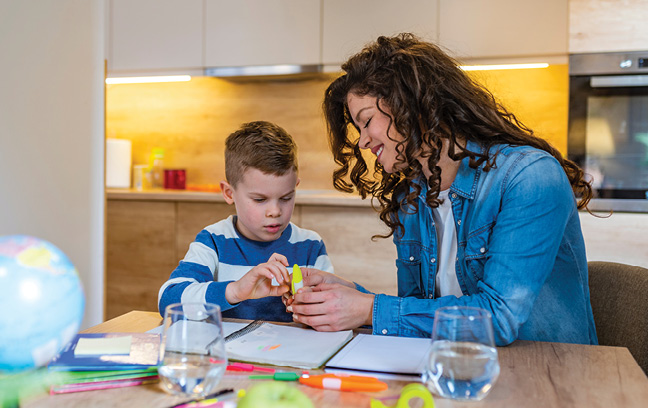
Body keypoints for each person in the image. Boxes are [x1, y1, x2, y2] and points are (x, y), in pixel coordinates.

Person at [287, 33, 598, 346]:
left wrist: (368, 309)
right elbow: (422, 312)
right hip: (458, 367)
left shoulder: (528, 177)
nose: (363, 141)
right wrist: (350, 299)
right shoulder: (411, 196)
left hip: (550, 377)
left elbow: (498, 318)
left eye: (366, 121)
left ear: (410, 106)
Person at [158, 121, 334, 322]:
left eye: (286, 198)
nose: (275, 211)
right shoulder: (214, 241)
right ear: (229, 193)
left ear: (296, 186)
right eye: (260, 200)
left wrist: (312, 306)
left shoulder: (310, 245)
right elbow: (168, 300)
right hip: (227, 351)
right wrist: (235, 290)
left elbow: (332, 309)